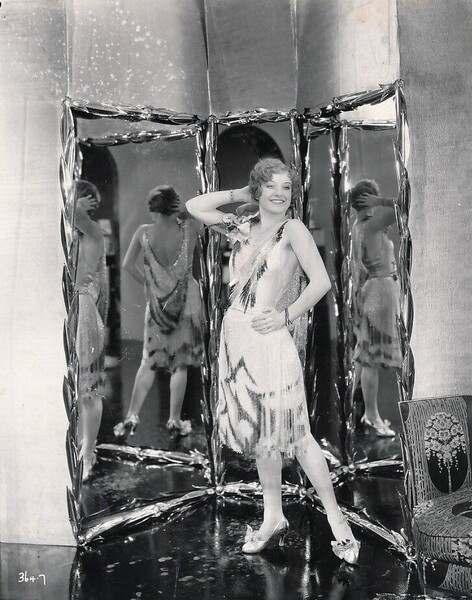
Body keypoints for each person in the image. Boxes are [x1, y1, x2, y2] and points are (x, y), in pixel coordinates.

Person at [186, 158, 360, 562]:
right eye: (271, 186)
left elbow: (321, 282)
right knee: (263, 435)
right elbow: (196, 206)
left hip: (269, 339)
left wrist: (285, 315)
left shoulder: (293, 229)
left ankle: (337, 520)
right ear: (258, 190)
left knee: (296, 435)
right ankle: (272, 517)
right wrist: (240, 194)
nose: (280, 193)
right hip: (237, 337)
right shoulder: (243, 226)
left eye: (286, 187)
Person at [113, 185, 203, 440]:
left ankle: (131, 416)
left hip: (157, 307)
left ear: (153, 209)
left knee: (148, 362)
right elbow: (197, 213)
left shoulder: (143, 232)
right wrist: (183, 212)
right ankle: (174, 420)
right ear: (174, 205)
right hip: (186, 305)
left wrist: (150, 284)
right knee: (180, 365)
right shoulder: (189, 229)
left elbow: (127, 265)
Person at [350, 179, 402, 437]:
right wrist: (380, 202)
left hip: (374, 290)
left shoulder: (359, 226)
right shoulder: (370, 225)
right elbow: (404, 204)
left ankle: (356, 411)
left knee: (364, 355)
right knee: (369, 358)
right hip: (380, 291)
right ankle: (371, 415)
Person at [74, 180, 108, 481]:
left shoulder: (94, 231)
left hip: (83, 313)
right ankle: (79, 447)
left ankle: (88, 452)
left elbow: (74, 216)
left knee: (89, 389)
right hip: (64, 311)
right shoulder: (66, 234)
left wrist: (74, 204)